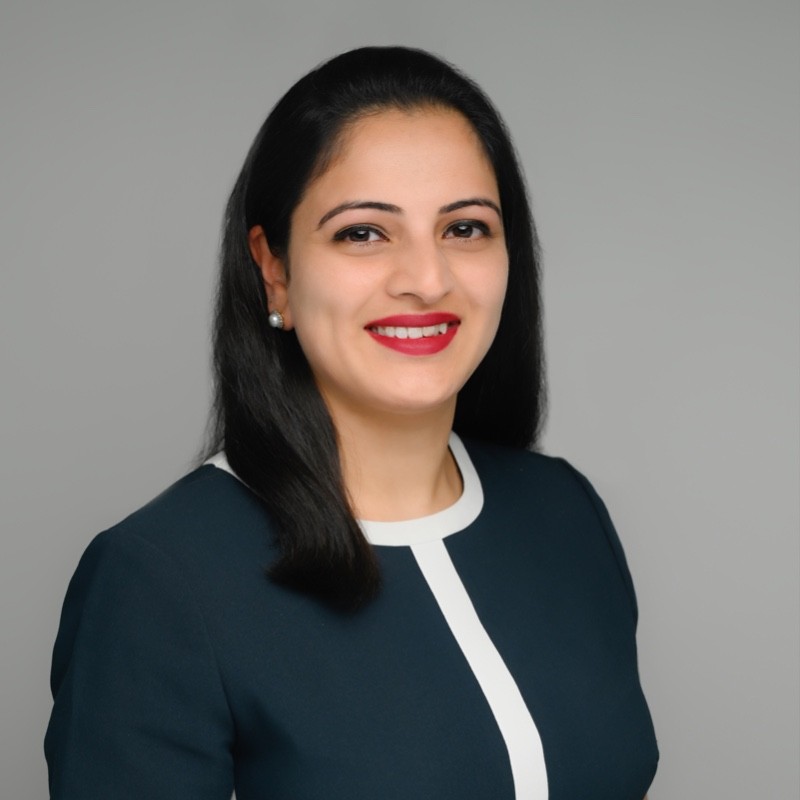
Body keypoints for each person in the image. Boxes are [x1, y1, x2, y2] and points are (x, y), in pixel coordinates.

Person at [44, 46, 658, 799]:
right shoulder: (159, 582)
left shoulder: (566, 513)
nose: (427, 279)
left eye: (465, 228)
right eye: (363, 233)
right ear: (274, 270)